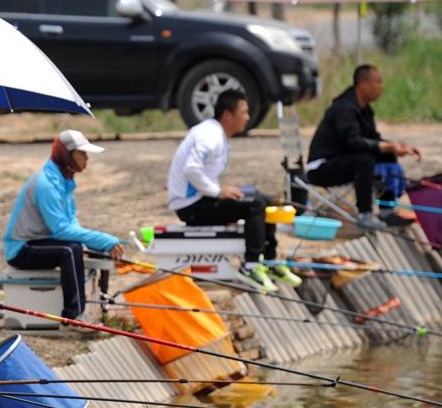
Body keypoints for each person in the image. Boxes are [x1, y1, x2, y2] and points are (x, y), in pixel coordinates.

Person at [167, 89, 300, 293]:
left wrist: (220, 189)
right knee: (254, 205)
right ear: (228, 116)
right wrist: (218, 191)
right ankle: (251, 266)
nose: (247, 117)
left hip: (199, 199)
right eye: (244, 112)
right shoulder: (210, 135)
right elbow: (191, 169)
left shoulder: (214, 132)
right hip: (190, 207)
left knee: (263, 198)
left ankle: (270, 261)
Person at [2, 129, 125, 320]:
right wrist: (104, 239)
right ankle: (74, 316)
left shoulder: (64, 179)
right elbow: (61, 230)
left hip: (42, 241)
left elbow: (71, 223)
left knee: (94, 248)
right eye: (82, 153)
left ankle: (101, 304)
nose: (87, 158)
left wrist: (100, 244)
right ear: (67, 155)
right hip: (21, 249)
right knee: (70, 250)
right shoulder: (47, 184)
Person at [307, 64, 422, 231]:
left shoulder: (365, 110)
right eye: (378, 82)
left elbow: (373, 140)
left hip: (344, 162)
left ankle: (387, 212)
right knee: (365, 159)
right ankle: (364, 215)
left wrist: (398, 147)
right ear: (363, 84)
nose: (381, 87)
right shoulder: (343, 108)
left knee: (386, 154)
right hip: (321, 168)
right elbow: (352, 142)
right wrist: (387, 146)